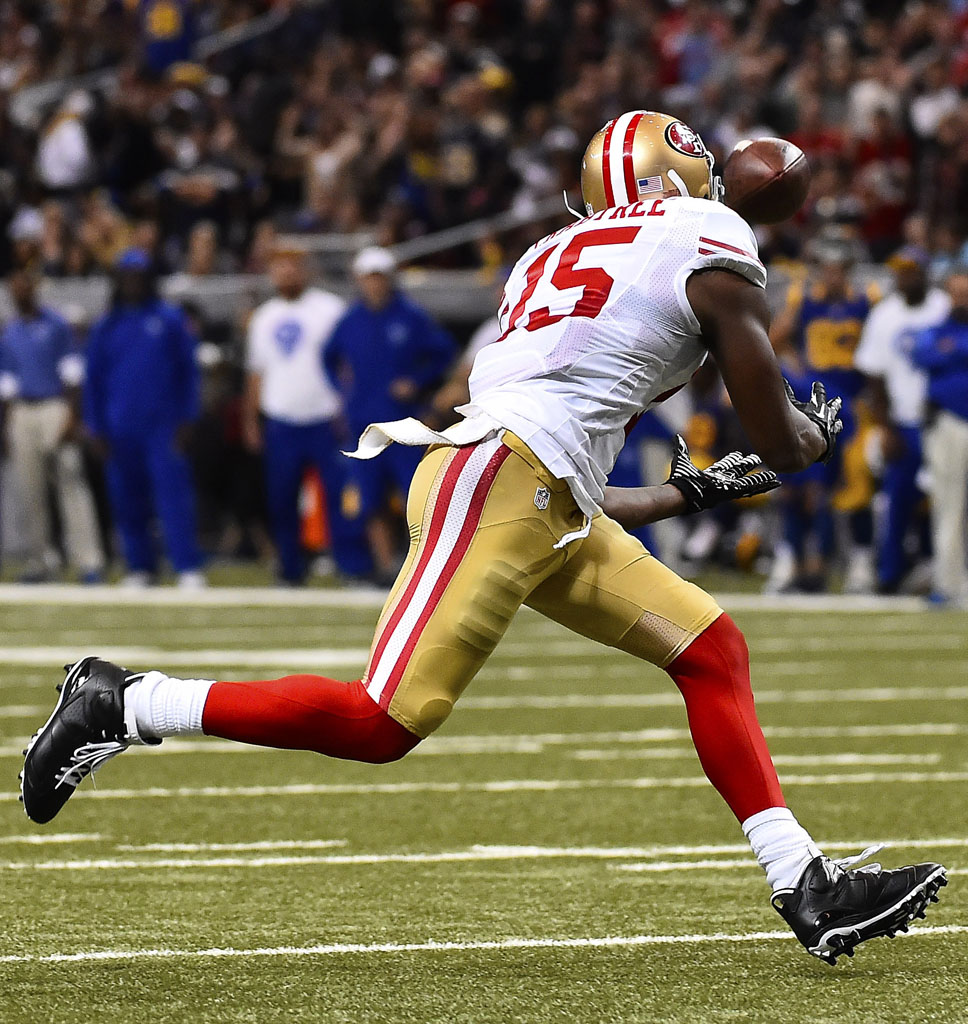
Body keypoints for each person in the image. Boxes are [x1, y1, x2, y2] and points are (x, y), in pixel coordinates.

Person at [21, 111, 946, 965]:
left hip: (528, 488)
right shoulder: (708, 238)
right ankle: (128, 703)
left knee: (711, 649)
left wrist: (692, 490)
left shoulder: (547, 254)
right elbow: (774, 433)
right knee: (383, 722)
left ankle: (803, 884)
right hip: (498, 481)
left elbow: (577, 469)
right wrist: (804, 444)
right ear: (678, 181)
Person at [325, 247, 456, 583]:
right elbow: (328, 357)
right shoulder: (350, 320)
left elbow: (443, 353)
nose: (374, 284)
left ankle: (422, 564)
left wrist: (418, 383)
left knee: (416, 496)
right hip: (364, 422)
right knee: (370, 498)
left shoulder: (410, 316)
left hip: (403, 423)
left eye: (379, 277)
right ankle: (385, 566)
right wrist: (343, 391)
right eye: (369, 278)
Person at [243, 246, 370, 585]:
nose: (285, 274)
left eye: (292, 267)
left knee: (339, 495)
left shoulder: (329, 309)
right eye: (279, 267)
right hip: (281, 418)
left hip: (326, 418)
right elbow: (256, 372)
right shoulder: (264, 316)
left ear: (306, 270)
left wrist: (347, 405)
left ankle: (351, 566)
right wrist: (251, 419)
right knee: (282, 499)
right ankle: (289, 569)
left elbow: (348, 364)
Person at [83, 248, 205, 588]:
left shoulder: (169, 319)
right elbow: (93, 380)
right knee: (128, 500)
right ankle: (141, 567)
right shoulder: (106, 325)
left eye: (139, 276)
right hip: (119, 428)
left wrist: (188, 418)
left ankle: (186, 566)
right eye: (127, 276)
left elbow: (188, 373)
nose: (133, 283)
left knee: (173, 498)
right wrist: (95, 427)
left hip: (164, 426)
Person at [769, 245, 878, 593]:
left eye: (838, 268)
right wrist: (796, 370)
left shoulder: (865, 301)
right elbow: (774, 340)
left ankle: (852, 561)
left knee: (850, 487)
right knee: (801, 487)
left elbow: (876, 350)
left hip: (852, 407)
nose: (832, 275)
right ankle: (797, 560)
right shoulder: (805, 300)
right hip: (815, 407)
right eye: (827, 268)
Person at [855, 246, 951, 593]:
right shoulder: (884, 314)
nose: (904, 277)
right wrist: (885, 426)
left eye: (911, 270)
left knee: (948, 500)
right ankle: (889, 574)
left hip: (943, 420)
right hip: (903, 422)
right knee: (897, 500)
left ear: (925, 272)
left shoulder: (944, 307)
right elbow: (874, 376)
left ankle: (943, 570)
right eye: (900, 271)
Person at [0, 267, 103, 582]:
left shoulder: (56, 324)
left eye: (24, 285)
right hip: (22, 412)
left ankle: (88, 561)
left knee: (72, 484)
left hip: (55, 405)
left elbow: (72, 372)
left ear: (34, 288)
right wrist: (5, 426)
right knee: (30, 491)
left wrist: (73, 414)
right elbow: (6, 384)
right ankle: (41, 561)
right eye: (14, 286)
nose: (20, 291)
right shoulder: (10, 332)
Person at [911, 269, 968, 605]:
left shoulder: (943, 334)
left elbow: (941, 353)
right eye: (956, 293)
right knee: (947, 504)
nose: (961, 299)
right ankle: (947, 585)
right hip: (946, 421)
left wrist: (953, 350)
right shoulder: (935, 329)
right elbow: (922, 354)